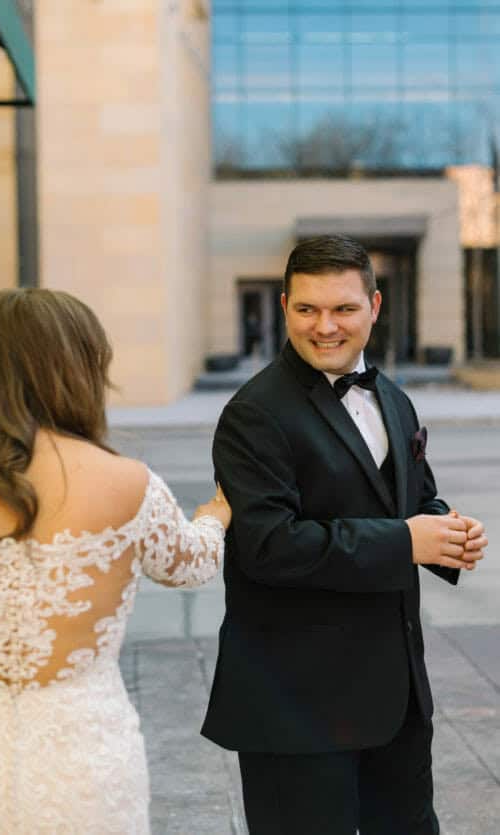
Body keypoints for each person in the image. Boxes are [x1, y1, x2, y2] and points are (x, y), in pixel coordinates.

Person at [201, 235, 488, 835]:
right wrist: (404, 541)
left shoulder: (395, 399)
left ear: (375, 307)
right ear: (284, 307)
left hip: (397, 701)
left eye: (343, 309)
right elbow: (267, 547)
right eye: (307, 309)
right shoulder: (253, 414)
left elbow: (413, 499)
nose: (325, 327)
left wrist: (447, 529)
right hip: (296, 706)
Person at [0, 288, 231, 834]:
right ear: (78, 368)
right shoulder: (126, 483)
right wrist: (215, 515)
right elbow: (190, 565)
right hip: (81, 759)